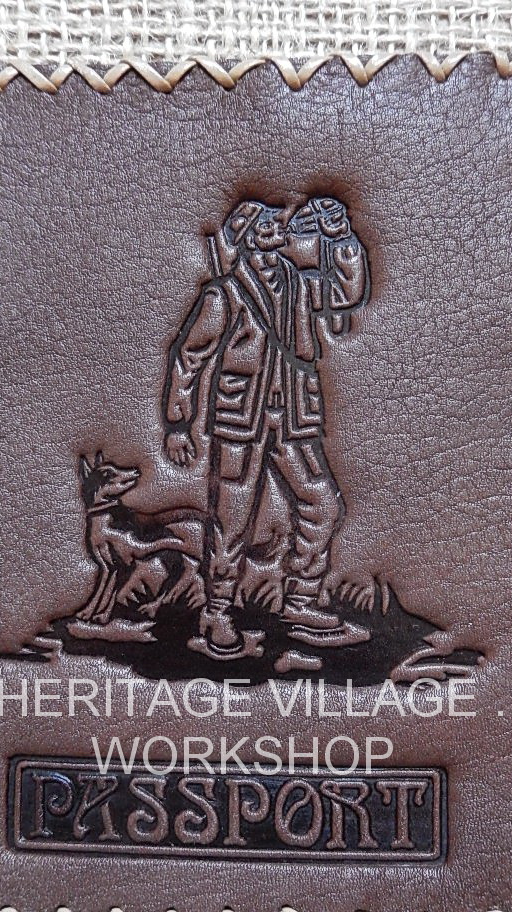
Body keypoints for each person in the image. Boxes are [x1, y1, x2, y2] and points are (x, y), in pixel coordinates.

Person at [162, 197, 369, 658]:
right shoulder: (223, 294)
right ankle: (217, 611)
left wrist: (340, 238)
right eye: (268, 222)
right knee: (231, 519)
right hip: (240, 421)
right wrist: (179, 422)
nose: (279, 225)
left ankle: (301, 600)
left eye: (278, 222)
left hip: (294, 417)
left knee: (323, 505)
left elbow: (346, 293)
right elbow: (190, 357)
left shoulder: (299, 285)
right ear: (247, 235)